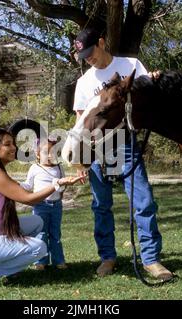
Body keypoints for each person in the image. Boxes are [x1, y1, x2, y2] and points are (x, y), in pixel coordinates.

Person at [72, 27, 173, 281]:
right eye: (83, 56)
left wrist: (154, 79)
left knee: (143, 201)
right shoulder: (84, 82)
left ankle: (151, 259)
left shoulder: (130, 64)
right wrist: (80, 160)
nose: (88, 59)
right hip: (96, 148)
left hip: (125, 143)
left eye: (90, 52)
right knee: (100, 205)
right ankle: (107, 256)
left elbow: (147, 95)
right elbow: (80, 120)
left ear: (102, 42)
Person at [0, 128, 81, 290]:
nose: (14, 148)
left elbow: (20, 189)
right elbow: (28, 199)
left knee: (37, 222)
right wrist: (57, 184)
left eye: (14, 143)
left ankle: (3, 264)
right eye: (7, 144)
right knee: (39, 247)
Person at [20, 138, 69, 270]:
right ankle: (41, 261)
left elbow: (63, 185)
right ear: (37, 154)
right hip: (40, 205)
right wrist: (16, 185)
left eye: (52, 152)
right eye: (45, 152)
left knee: (55, 234)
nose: (49, 155)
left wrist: (62, 188)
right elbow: (28, 185)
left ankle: (58, 260)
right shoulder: (35, 168)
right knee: (41, 234)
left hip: (56, 206)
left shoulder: (59, 167)